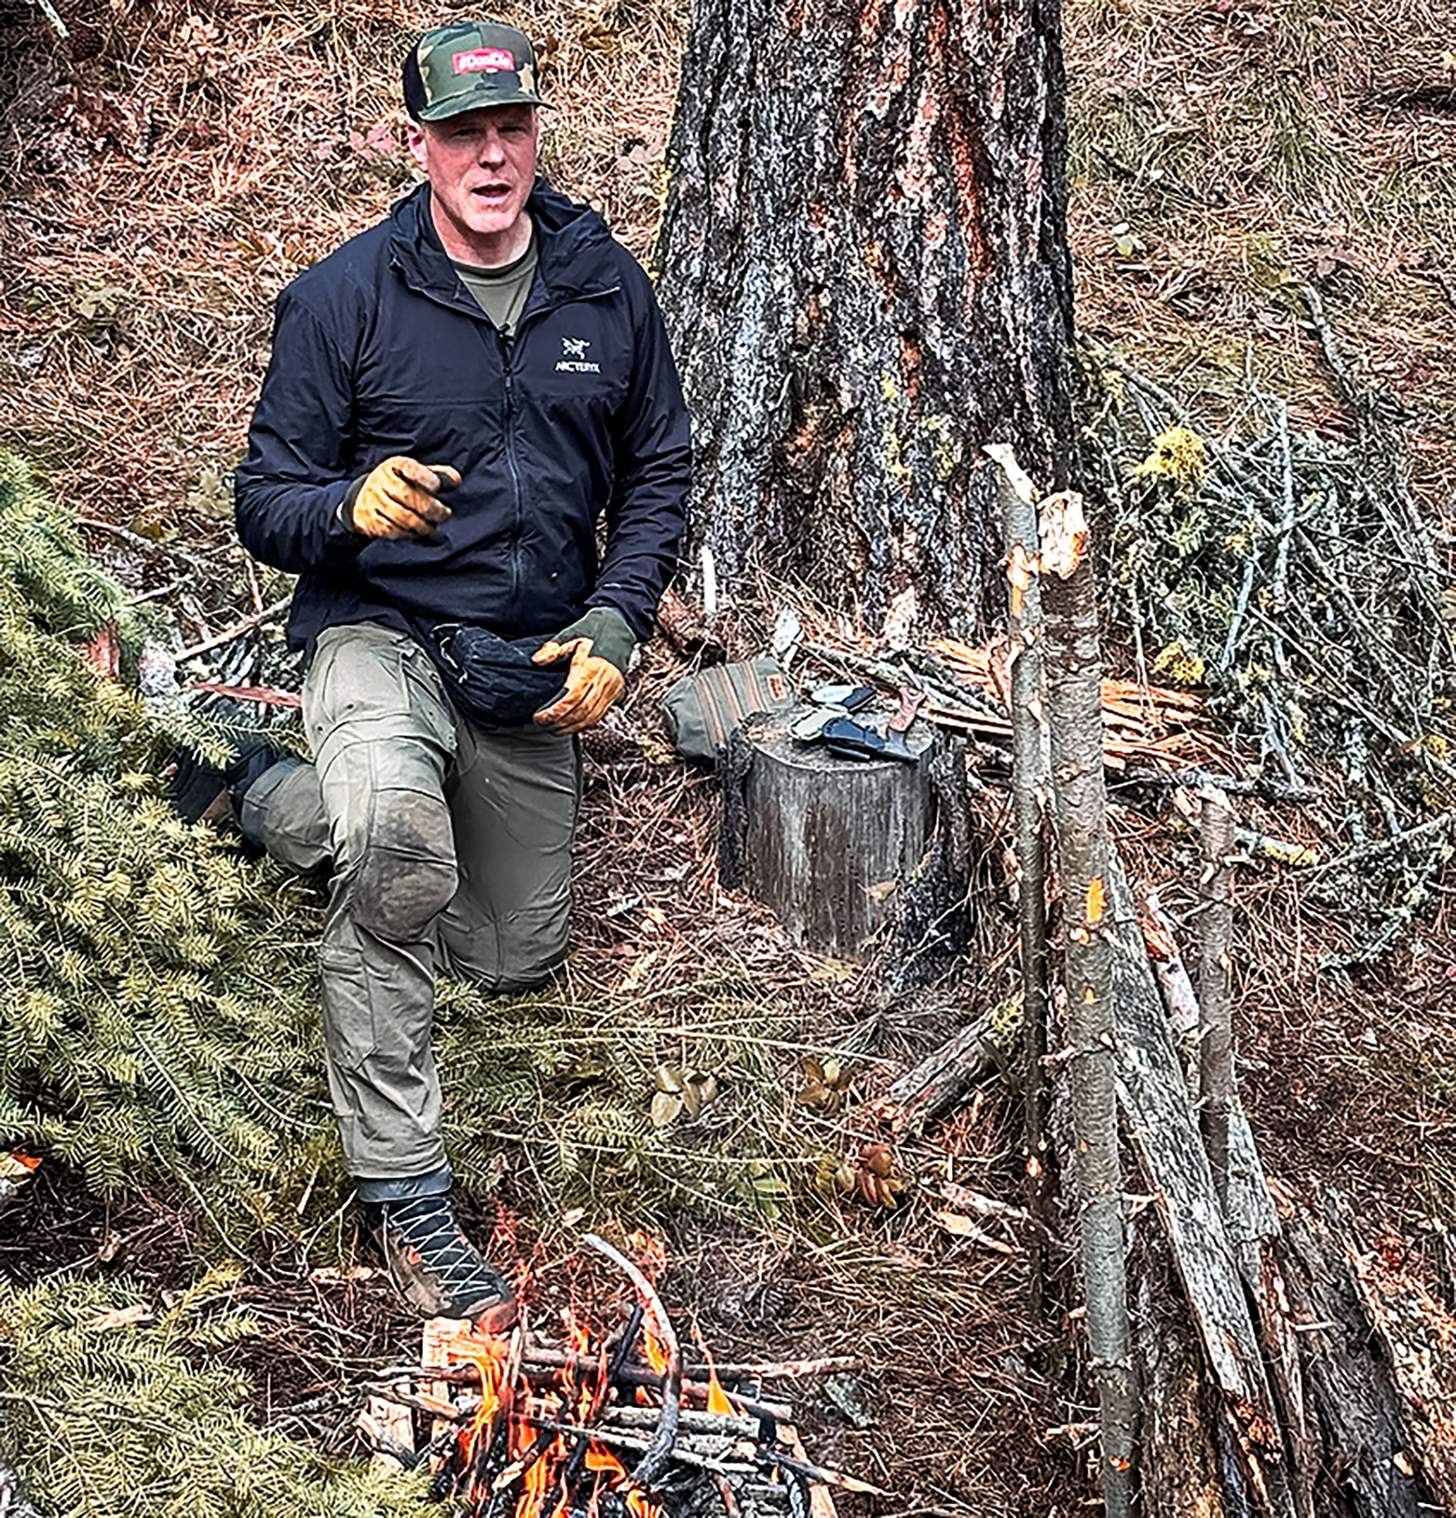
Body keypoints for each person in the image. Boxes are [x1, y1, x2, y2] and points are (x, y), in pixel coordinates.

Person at [191, 20, 691, 1326]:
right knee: (403, 859)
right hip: (378, 634)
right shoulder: (346, 298)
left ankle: (255, 794)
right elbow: (263, 504)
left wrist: (617, 623)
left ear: (536, 133)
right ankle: (406, 1195)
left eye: (510, 127)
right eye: (462, 134)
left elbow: (659, 474)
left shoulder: (602, 284)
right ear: (412, 145)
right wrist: (349, 506)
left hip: (524, 657)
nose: (490, 155)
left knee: (508, 957)